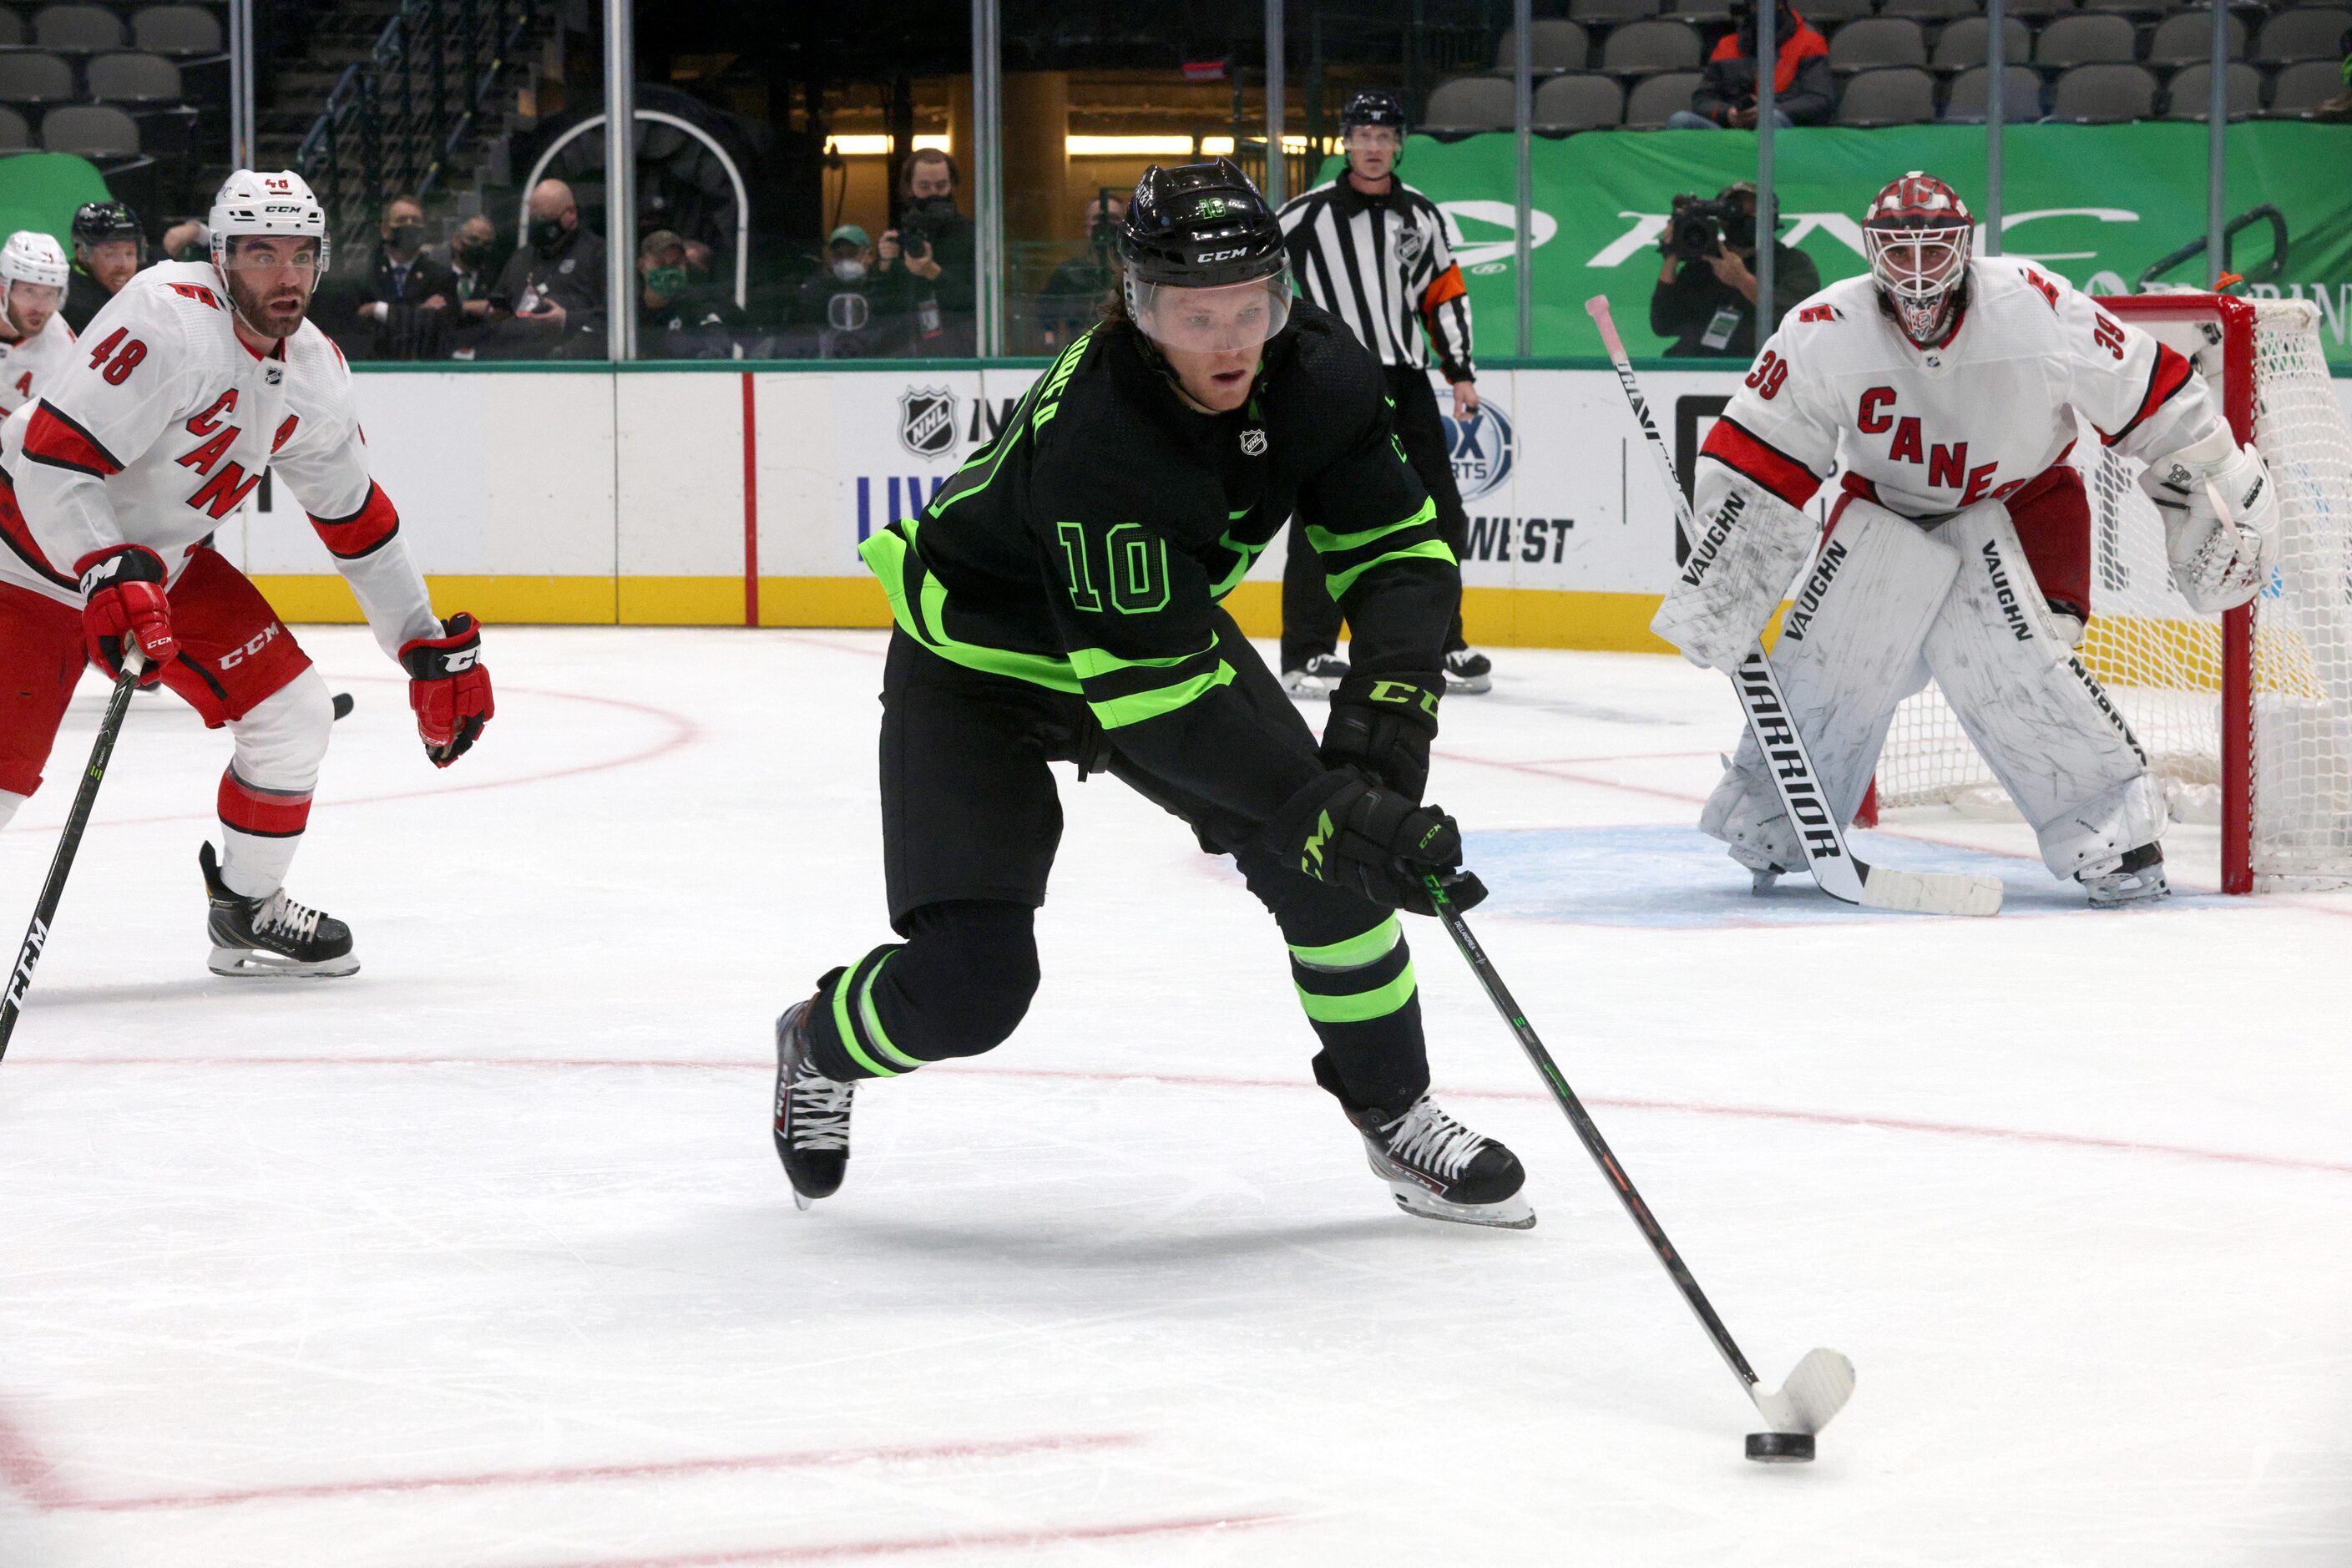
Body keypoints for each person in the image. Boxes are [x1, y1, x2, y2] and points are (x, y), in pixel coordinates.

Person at [771, 159, 1531, 1230]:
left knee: (1332, 876)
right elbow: (1157, 705)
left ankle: (1396, 1113)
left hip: (1149, 633)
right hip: (985, 664)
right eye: (1193, 314)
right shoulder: (1103, 435)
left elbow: (1400, 553)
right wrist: (1329, 812)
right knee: (973, 989)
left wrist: (1387, 721)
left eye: (1250, 310)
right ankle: (817, 1039)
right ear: (1139, 307)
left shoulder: (1320, 373)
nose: (1228, 342)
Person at [1652, 172, 2280, 908]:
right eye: (1897, 248)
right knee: (1829, 666)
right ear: (1869, 249)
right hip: (1887, 515)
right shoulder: (1822, 327)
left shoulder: (2032, 302)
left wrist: (2214, 473)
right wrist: (1730, 566)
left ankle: (2112, 836)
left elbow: (2145, 390)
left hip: (2023, 510)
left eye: (1934, 247)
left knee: (2016, 666)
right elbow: (1759, 453)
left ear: (1966, 247)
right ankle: (1772, 821)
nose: (1916, 269)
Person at [0, 169, 495, 974]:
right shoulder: (168, 314)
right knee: (4, 788)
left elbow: (357, 524)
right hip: (27, 548)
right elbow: (55, 459)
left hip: (155, 566)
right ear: (222, 256)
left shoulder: (316, 374)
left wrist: (422, 645)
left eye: (301, 254)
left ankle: (247, 908)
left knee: (296, 716)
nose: (284, 273)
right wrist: (102, 565)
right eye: (260, 253)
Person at [1276, 90, 1492, 698]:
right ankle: (1307, 654)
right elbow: (1262, 287)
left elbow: (1443, 295)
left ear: (1398, 144)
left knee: (1441, 512)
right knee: (1321, 514)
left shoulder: (1421, 215)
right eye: (1362, 136)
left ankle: (1443, 642)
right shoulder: (1303, 215)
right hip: (1331, 380)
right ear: (1345, 142)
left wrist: (1461, 372)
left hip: (1404, 378)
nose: (1373, 147)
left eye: (1384, 136)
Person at [1649, 180, 1819, 359]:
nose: (1746, 218)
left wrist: (1742, 281)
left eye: (1755, 212)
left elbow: (1799, 320)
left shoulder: (1792, 263)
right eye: (1736, 211)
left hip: (1762, 371)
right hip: (1699, 370)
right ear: (1722, 220)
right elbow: (1663, 324)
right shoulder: (1706, 262)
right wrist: (1674, 252)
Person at [485, 179, 606, 360]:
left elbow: (614, 318)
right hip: (515, 360)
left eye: (544, 218)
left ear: (571, 213)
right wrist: (494, 313)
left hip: (570, 362)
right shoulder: (522, 257)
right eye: (533, 218)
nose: (537, 225)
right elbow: (500, 302)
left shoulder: (598, 253)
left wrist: (567, 320)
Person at [1669, 0, 1832, 130]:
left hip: (1785, 129)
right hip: (1731, 131)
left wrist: (1767, 110)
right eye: (1752, 5)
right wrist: (1728, 113)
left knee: (1770, 118)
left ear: (1780, 4)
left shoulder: (1810, 43)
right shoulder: (1727, 46)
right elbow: (1702, 100)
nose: (1755, 10)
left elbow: (1819, 100)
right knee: (1680, 120)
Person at [875, 148, 975, 357]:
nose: (933, 194)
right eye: (924, 187)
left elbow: (978, 302)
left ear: (952, 186)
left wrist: (933, 273)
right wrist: (884, 265)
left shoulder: (972, 236)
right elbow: (878, 307)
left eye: (941, 186)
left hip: (959, 351)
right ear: (909, 189)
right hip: (903, 350)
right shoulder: (899, 239)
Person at [347, 193, 458, 361]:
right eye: (402, 220)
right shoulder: (365, 275)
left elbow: (437, 325)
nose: (409, 225)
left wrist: (378, 309)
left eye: (415, 220)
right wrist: (418, 312)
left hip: (426, 368)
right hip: (374, 368)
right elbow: (356, 326)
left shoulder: (442, 277)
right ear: (385, 230)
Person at [1033, 190, 1124, 352]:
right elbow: (1045, 317)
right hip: (1080, 357)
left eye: (1113, 219)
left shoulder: (1135, 271)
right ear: (1087, 228)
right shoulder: (1068, 273)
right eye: (1098, 219)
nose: (1105, 226)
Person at [0, 231, 77, 418]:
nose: (40, 308)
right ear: (3, 289)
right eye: (29, 291)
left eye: (50, 294)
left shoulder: (64, 351)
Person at [635, 228, 743, 358]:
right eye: (661, 263)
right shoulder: (625, 311)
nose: (669, 271)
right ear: (641, 266)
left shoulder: (700, 303)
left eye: (675, 264)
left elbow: (759, 342)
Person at [792, 224, 894, 359]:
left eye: (851, 253)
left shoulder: (882, 286)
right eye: (838, 255)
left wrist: (885, 268)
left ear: (869, 256)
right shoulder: (818, 288)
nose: (845, 259)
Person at [63, 200, 143, 334]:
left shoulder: (147, 285)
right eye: (111, 254)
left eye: (130, 253)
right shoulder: (73, 305)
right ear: (82, 253)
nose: (124, 265)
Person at [435, 213, 500, 359]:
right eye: (473, 239)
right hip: (440, 357)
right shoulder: (435, 278)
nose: (479, 247)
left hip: (481, 358)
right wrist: (465, 306)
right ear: (457, 241)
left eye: (486, 244)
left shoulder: (496, 281)